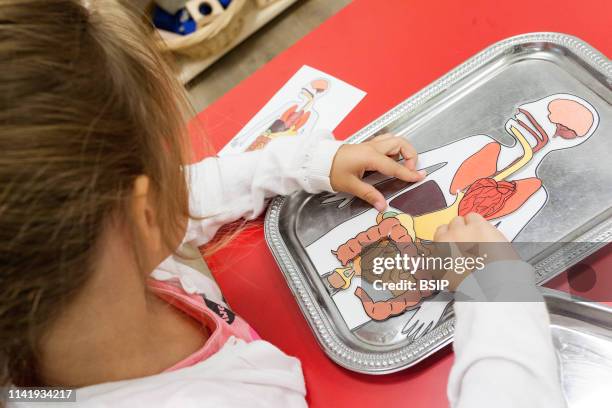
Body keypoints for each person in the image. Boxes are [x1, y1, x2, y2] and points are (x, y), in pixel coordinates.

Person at [0, 1, 564, 407]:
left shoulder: (63, 283)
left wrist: (308, 163)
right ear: (143, 217)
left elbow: (188, 192)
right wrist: (499, 296)